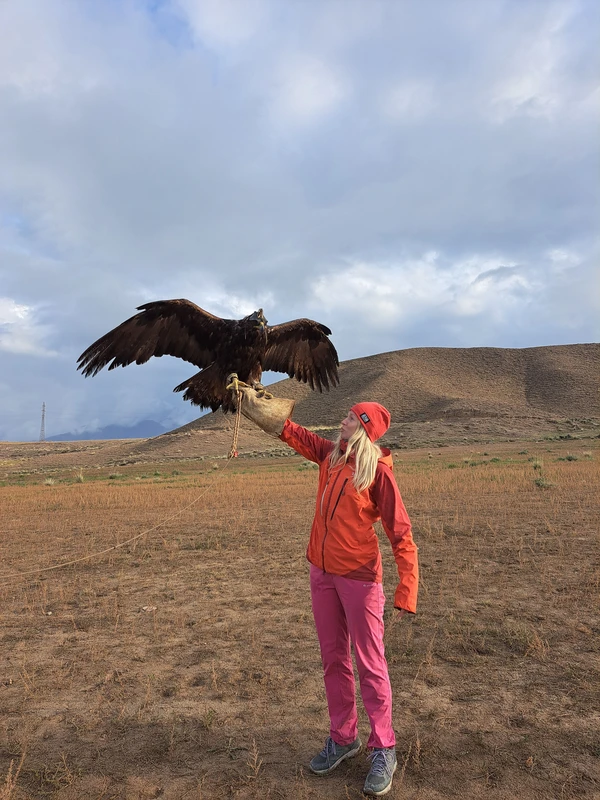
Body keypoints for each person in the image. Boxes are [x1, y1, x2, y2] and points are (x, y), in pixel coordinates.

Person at [237, 390, 419, 797]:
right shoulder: (331, 455)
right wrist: (256, 409)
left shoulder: (378, 472)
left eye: (351, 418)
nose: (343, 422)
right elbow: (296, 435)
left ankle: (383, 747)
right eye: (346, 416)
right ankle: (343, 737)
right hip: (321, 573)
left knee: (370, 663)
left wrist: (407, 588)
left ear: (365, 429)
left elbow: (401, 533)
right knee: (333, 659)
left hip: (359, 578)